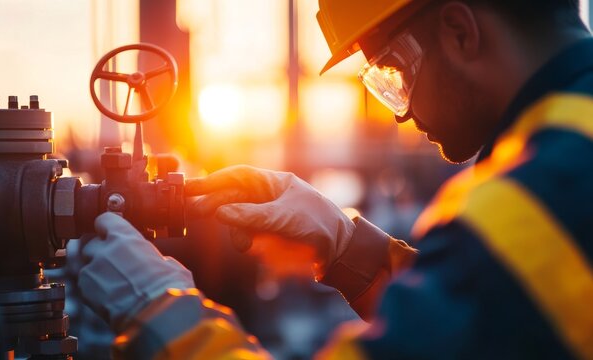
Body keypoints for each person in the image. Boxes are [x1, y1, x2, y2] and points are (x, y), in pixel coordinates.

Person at [77, 0, 593, 358]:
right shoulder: (571, 155)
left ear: (460, 32)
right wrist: (346, 243)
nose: (400, 115)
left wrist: (161, 314)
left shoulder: (542, 198)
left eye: (393, 74)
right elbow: (496, 326)